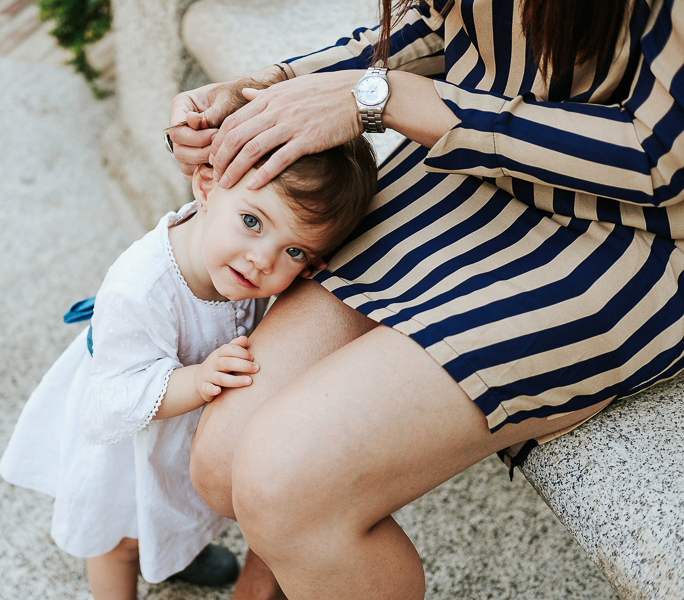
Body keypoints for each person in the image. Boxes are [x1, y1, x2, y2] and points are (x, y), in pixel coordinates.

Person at [167, 0, 684, 598]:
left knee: (282, 483)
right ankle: (287, 562)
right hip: (475, 168)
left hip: (634, 234)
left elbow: (661, 157)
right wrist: (270, 92)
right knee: (221, 463)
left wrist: (384, 100)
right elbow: (450, 27)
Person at [0, 84, 378, 600]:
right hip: (131, 437)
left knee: (179, 510)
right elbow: (107, 406)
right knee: (120, 541)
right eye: (251, 221)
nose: (261, 260)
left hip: (184, 430)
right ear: (206, 182)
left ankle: (176, 553)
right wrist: (197, 380)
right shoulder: (141, 288)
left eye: (295, 251)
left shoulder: (236, 263)